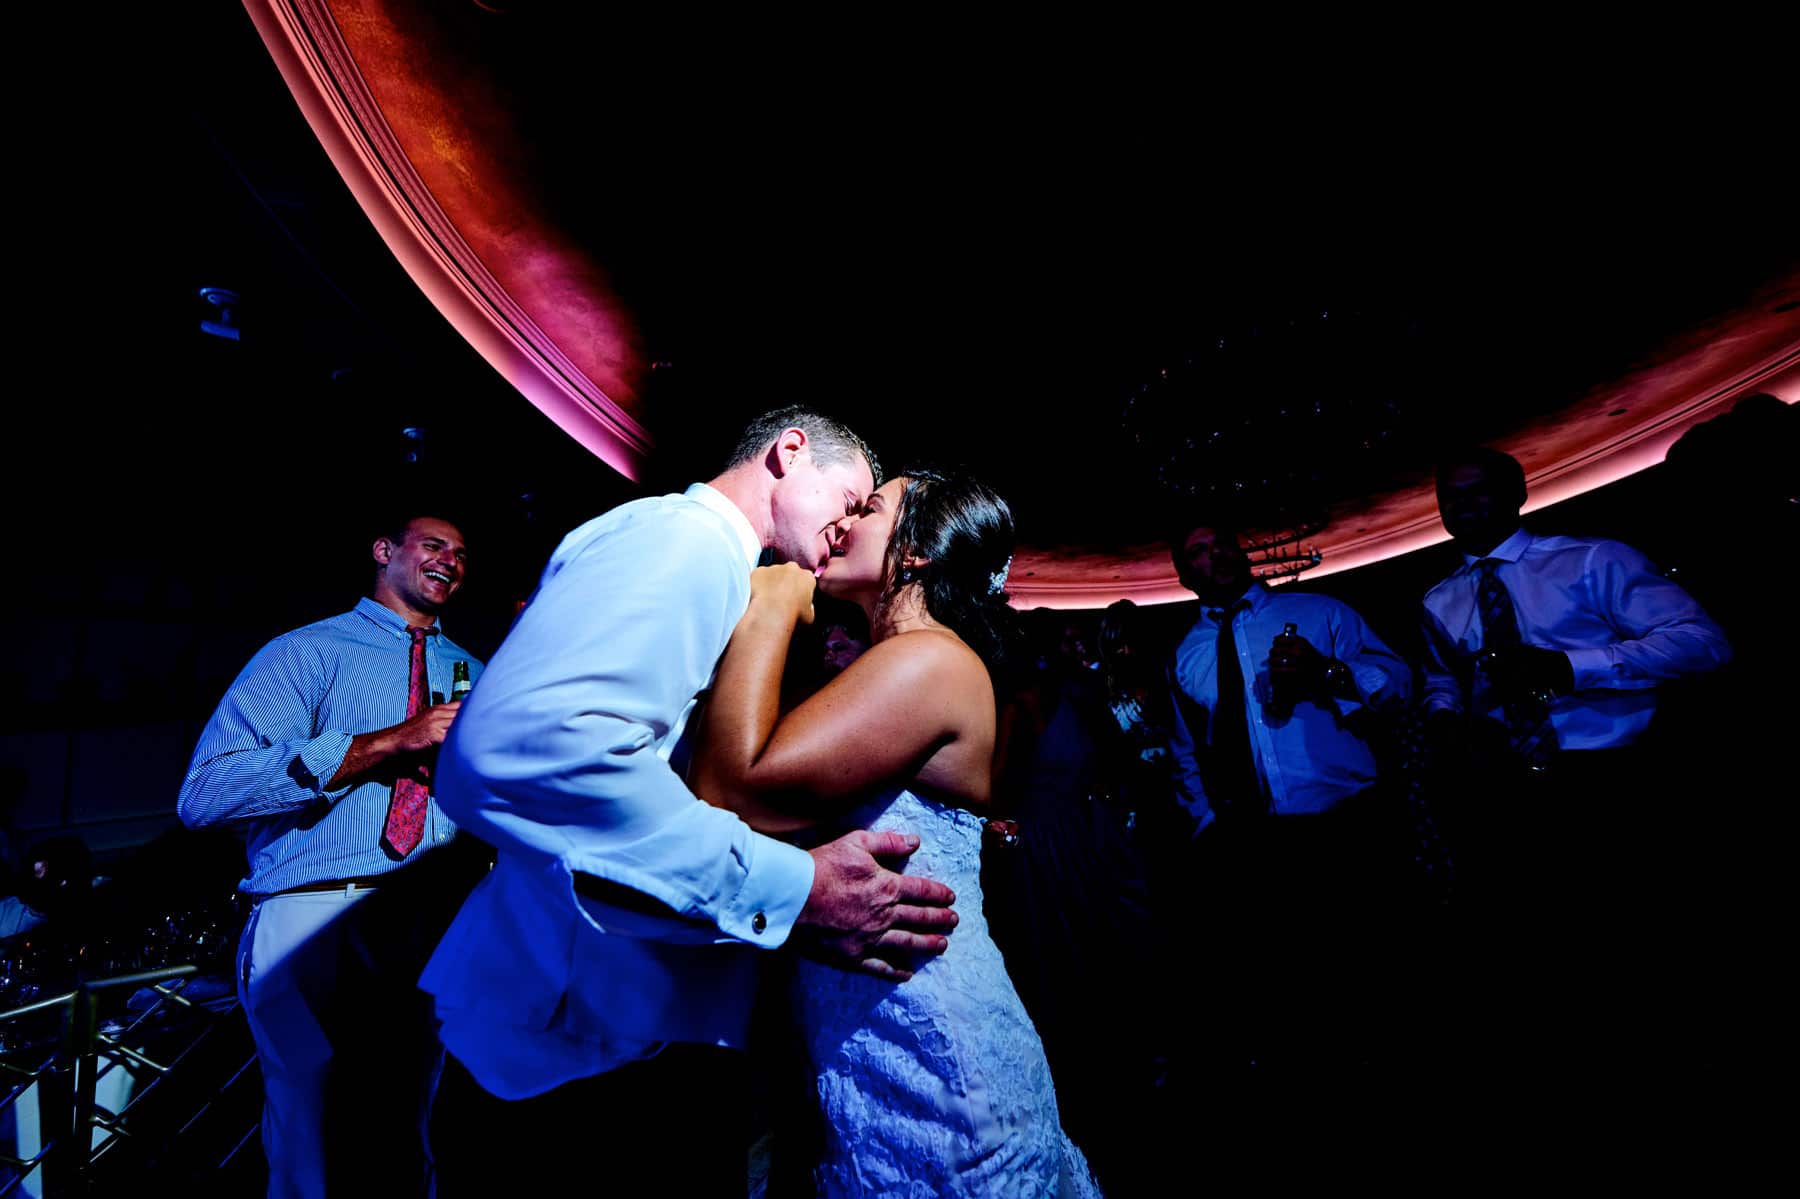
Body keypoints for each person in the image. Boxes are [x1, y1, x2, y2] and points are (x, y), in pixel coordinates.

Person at [418, 409, 960, 1195]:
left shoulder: (723, 566)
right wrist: (795, 887)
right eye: (852, 495)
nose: (849, 523)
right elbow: (523, 752)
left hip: (619, 1030)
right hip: (570, 1055)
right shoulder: (691, 541)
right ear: (791, 451)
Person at [690, 467, 1099, 1197]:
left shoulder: (931, 658)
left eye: (868, 508)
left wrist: (771, 603)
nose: (842, 522)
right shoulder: (894, 662)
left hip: (942, 1066)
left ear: (914, 553)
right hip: (878, 1050)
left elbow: (732, 787)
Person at [177, 513, 484, 1199]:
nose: (451, 561)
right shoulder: (306, 653)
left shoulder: (477, 672)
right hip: (316, 910)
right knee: (310, 1130)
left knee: (422, 1122)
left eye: (462, 554)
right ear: (384, 551)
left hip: (437, 918)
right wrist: (389, 740)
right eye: (434, 545)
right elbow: (204, 793)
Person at [1418, 445, 1732, 1087]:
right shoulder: (1439, 599)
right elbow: (1440, 679)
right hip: (1509, 785)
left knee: (1640, 932)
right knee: (1546, 942)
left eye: (1477, 490)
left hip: (1616, 776)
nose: (1462, 505)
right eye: (1451, 495)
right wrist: (1445, 713)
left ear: (1517, 495)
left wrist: (1568, 667)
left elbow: (1705, 643)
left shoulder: (1592, 559)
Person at [1161, 516, 1413, 1096]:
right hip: (1256, 839)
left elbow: (1399, 683)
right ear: (1183, 573)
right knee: (1290, 971)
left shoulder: (1321, 612)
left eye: (1223, 540)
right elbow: (1185, 747)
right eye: (1199, 549)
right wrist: (1206, 825)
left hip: (1349, 821)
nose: (1217, 552)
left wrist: (1330, 674)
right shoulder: (1187, 652)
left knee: (1372, 959)